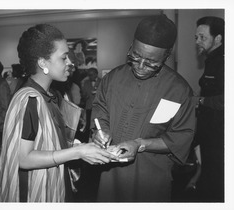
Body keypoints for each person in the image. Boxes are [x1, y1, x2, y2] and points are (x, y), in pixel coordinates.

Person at [0, 24, 118, 202]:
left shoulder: (53, 95)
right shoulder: (29, 99)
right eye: (64, 58)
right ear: (43, 63)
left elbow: (54, 143)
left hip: (54, 182)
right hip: (33, 191)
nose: (70, 62)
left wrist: (87, 147)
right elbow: (24, 158)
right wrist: (78, 152)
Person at [91, 14, 196, 202]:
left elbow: (180, 138)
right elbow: (100, 111)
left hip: (151, 180)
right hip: (110, 176)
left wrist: (140, 144)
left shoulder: (179, 91)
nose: (140, 66)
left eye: (151, 63)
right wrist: (101, 132)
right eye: (135, 56)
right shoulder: (112, 79)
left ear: (166, 56)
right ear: (131, 46)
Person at [194, 16, 224, 202]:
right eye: (196, 37)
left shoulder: (224, 62)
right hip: (209, 133)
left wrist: (201, 101)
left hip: (218, 136)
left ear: (218, 39)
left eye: (202, 37)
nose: (197, 41)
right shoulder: (211, 60)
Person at [81, 67, 101, 142]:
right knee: (89, 124)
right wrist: (84, 96)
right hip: (89, 107)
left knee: (99, 124)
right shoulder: (86, 83)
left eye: (91, 74)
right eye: (89, 75)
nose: (90, 76)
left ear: (96, 74)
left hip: (99, 108)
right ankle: (87, 141)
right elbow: (84, 95)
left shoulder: (102, 82)